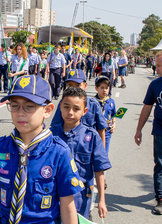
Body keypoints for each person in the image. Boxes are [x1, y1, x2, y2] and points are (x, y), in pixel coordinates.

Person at [0, 75, 84, 224]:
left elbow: (67, 206)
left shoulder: (59, 152)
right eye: (14, 105)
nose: (20, 113)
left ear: (47, 110)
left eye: (29, 106)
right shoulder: (0, 148)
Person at [51, 87, 111, 219]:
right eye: (66, 107)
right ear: (60, 107)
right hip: (53, 196)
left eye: (76, 109)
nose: (70, 112)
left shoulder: (92, 136)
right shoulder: (50, 135)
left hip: (80, 197)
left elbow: (99, 170)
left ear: (85, 111)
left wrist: (102, 200)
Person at [134, 50, 162, 215]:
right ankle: (161, 198)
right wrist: (138, 129)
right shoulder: (155, 84)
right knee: (161, 165)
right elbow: (147, 107)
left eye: (160, 65)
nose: (156, 67)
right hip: (161, 130)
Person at [50, 69, 107, 147]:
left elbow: (101, 129)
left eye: (77, 85)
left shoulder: (93, 104)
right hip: (67, 146)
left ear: (85, 85)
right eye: (70, 85)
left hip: (87, 147)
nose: (74, 89)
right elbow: (55, 126)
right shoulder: (63, 103)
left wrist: (102, 151)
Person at [94, 76, 116, 154]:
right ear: (96, 88)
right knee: (95, 152)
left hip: (107, 132)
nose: (104, 90)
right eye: (102, 88)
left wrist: (114, 124)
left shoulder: (111, 101)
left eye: (106, 88)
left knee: (104, 153)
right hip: (95, 131)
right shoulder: (92, 102)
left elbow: (113, 114)